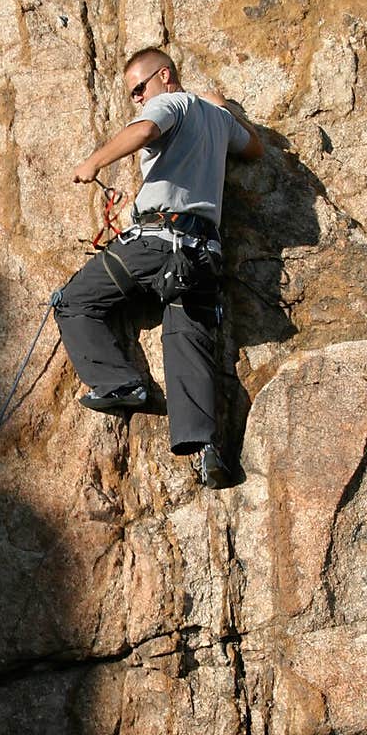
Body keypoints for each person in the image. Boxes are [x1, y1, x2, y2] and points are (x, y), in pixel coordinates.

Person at [53, 47, 263, 488]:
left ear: (164, 76)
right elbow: (256, 149)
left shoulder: (172, 102)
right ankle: (204, 448)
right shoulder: (217, 119)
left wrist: (95, 161)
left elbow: (147, 128)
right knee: (188, 338)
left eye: (139, 89)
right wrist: (223, 108)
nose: (137, 99)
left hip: (156, 244)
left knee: (72, 302)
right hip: (202, 254)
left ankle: (118, 383)